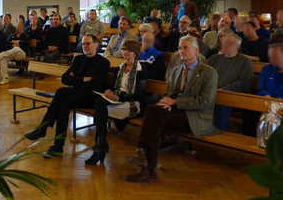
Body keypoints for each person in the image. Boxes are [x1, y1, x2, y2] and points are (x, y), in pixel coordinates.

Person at [126, 36, 218, 183]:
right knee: (153, 113)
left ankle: (145, 160)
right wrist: (166, 100)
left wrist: (174, 101)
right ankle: (148, 167)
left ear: (197, 50)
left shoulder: (209, 72)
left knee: (153, 117)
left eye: (185, 47)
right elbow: (170, 93)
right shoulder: (177, 70)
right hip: (175, 111)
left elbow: (205, 102)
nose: (181, 51)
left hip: (195, 117)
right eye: (180, 48)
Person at [24, 34, 110, 158]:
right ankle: (56, 146)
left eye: (88, 43)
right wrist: (83, 80)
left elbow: (95, 84)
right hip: (74, 95)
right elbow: (65, 78)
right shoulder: (78, 59)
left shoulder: (103, 62)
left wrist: (76, 79)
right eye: (83, 43)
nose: (85, 46)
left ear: (96, 44)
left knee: (61, 93)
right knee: (62, 103)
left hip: (91, 98)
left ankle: (45, 131)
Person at [86, 40, 147, 165]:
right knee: (99, 103)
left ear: (135, 53)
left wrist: (119, 97)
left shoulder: (141, 70)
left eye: (129, 51)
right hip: (118, 101)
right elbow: (112, 86)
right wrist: (109, 91)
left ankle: (100, 147)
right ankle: (100, 146)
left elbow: (140, 95)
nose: (125, 53)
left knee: (100, 109)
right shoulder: (121, 67)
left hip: (133, 104)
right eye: (124, 50)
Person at [206, 32, 253, 130]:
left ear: (237, 46)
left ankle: (217, 133)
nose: (225, 45)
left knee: (222, 102)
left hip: (231, 95)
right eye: (224, 43)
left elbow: (244, 82)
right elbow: (204, 74)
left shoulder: (244, 61)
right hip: (211, 91)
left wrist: (224, 89)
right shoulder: (214, 58)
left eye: (229, 43)